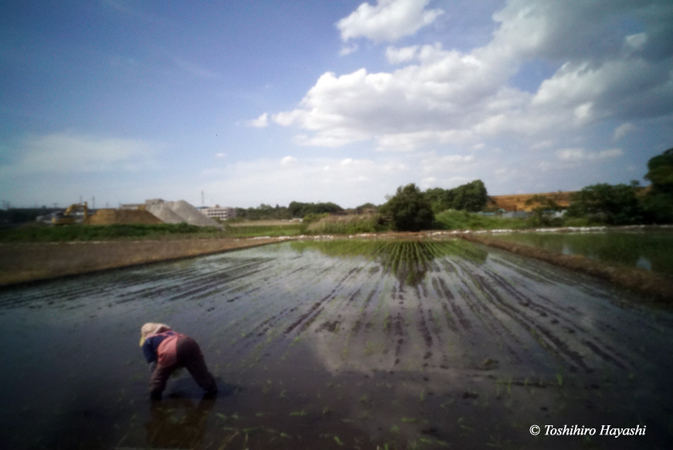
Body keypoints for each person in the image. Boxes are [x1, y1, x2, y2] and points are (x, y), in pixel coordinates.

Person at [139, 322, 218, 400]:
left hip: (171, 347)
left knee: (158, 378)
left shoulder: (148, 341)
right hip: (189, 341)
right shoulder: (171, 332)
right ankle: (211, 389)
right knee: (199, 371)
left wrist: (159, 372)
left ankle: (155, 396)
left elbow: (152, 362)